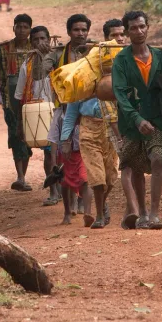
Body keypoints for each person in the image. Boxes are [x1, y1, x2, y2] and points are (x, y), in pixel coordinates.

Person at [112, 10, 162, 230]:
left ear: (148, 27)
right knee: (136, 166)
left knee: (157, 158)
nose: (139, 31)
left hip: (158, 118)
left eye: (142, 26)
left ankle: (155, 214)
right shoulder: (122, 60)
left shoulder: (160, 56)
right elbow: (120, 93)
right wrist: (137, 119)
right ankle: (142, 214)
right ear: (127, 32)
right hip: (131, 122)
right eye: (133, 28)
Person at [59, 20, 126, 229]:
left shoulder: (123, 66)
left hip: (112, 127)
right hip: (88, 128)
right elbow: (71, 110)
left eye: (122, 35)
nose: (120, 39)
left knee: (111, 176)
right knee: (96, 176)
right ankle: (98, 216)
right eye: (115, 36)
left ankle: (102, 204)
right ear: (105, 39)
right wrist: (66, 139)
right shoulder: (87, 69)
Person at [0, 14, 34, 191]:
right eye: (19, 27)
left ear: (30, 30)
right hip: (10, 102)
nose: (22, 30)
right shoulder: (3, 49)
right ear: (14, 28)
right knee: (16, 135)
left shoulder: (35, 48)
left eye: (25, 27)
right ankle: (21, 176)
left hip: (34, 101)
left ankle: (24, 175)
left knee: (30, 136)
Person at [50, 13, 94, 225]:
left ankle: (88, 208)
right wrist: (43, 55)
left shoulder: (97, 52)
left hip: (89, 115)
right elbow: (41, 72)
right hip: (65, 114)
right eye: (76, 30)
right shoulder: (58, 54)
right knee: (67, 165)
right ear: (69, 32)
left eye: (84, 30)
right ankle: (68, 211)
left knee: (88, 165)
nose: (81, 34)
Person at [15, 25, 62, 206]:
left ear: (49, 40)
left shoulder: (59, 58)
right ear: (31, 43)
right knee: (49, 153)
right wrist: (20, 122)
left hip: (60, 108)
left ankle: (63, 190)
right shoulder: (27, 64)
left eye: (43, 39)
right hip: (39, 111)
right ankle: (53, 190)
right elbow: (19, 96)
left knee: (62, 153)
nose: (40, 43)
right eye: (36, 40)